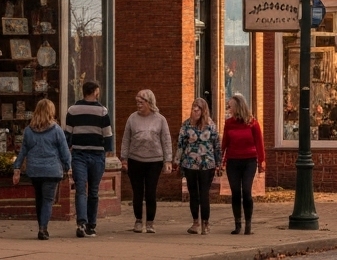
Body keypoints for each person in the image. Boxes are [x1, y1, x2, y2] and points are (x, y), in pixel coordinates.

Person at [13, 98, 70, 241]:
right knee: (48, 200)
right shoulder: (57, 130)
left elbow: (23, 151)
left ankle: (41, 226)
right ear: (51, 112)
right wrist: (68, 167)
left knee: (39, 198)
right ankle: (43, 228)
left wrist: (17, 168)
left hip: (35, 170)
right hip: (52, 170)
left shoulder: (28, 131)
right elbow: (65, 152)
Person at [64, 80, 114, 238]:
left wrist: (67, 150)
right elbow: (107, 135)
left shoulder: (72, 110)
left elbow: (68, 134)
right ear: (95, 92)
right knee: (93, 190)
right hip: (97, 154)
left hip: (79, 154)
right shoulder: (102, 111)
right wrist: (108, 151)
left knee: (80, 189)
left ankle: (82, 223)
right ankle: (91, 225)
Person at [121, 88, 172, 233]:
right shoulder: (132, 118)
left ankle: (150, 222)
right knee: (137, 192)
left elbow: (166, 140)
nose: (138, 105)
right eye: (137, 102)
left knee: (150, 191)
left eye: (141, 102)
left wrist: (168, 161)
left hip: (154, 161)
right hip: (135, 159)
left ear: (149, 102)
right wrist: (124, 159)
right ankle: (138, 221)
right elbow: (126, 139)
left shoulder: (160, 119)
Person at [221, 93, 265, 235]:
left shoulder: (252, 123)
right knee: (235, 192)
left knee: (246, 191)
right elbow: (225, 143)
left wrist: (262, 162)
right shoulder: (229, 123)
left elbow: (259, 143)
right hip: (233, 160)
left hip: (249, 160)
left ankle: (248, 224)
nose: (229, 109)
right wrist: (220, 160)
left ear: (238, 107)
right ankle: (237, 224)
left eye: (231, 106)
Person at [177, 97, 221, 235]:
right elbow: (181, 145)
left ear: (203, 110)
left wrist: (219, 163)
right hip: (190, 164)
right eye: (193, 108)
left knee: (204, 194)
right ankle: (195, 222)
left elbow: (217, 146)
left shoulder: (210, 125)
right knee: (193, 193)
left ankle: (205, 224)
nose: (195, 110)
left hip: (207, 164)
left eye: (198, 108)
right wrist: (177, 161)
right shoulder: (186, 125)